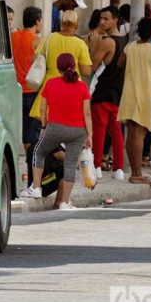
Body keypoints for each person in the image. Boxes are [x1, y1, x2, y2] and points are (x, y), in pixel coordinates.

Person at [21, 53, 93, 210]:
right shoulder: (82, 86)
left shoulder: (51, 83)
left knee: (39, 152)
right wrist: (89, 135)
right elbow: (87, 113)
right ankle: (65, 202)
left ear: (57, 67)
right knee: (70, 164)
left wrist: (45, 126)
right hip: (78, 131)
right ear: (74, 66)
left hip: (55, 128)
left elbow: (42, 108)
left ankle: (36, 187)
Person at [117, 18, 151, 184]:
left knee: (131, 133)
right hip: (145, 96)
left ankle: (134, 172)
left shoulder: (130, 47)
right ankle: (137, 174)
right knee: (139, 134)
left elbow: (120, 63)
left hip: (129, 94)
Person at [30, 10, 92, 121]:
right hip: (73, 90)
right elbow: (86, 71)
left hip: (50, 87)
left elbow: (33, 59)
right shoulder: (81, 44)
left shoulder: (49, 39)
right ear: (76, 25)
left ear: (60, 23)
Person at [88, 6, 127, 180]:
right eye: (101, 18)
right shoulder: (126, 42)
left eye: (106, 18)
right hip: (118, 93)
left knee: (99, 130)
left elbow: (91, 67)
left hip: (103, 92)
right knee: (116, 131)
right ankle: (118, 167)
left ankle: (96, 165)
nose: (102, 22)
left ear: (115, 20)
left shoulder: (107, 42)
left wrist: (94, 45)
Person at [11, 6, 43, 151]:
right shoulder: (37, 41)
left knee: (20, 130)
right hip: (31, 90)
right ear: (37, 21)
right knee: (31, 134)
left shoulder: (13, 37)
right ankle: (32, 167)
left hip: (15, 90)